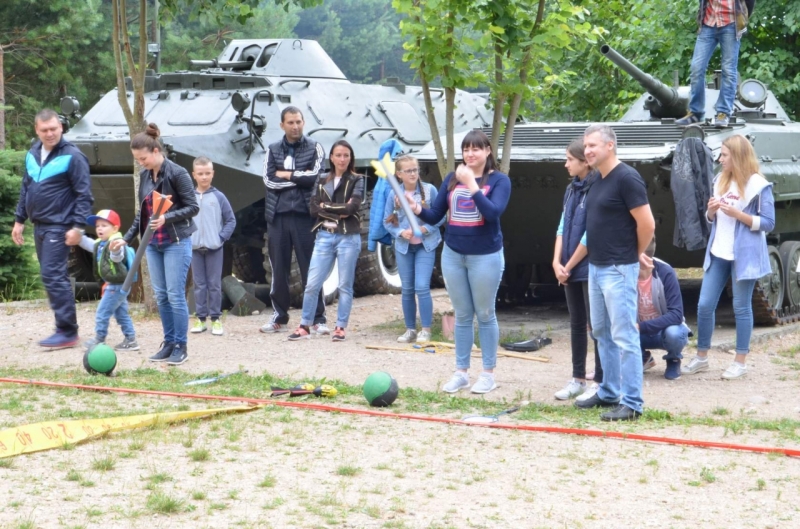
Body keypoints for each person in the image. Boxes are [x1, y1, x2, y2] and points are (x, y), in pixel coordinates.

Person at [413, 130, 510, 395]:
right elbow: (436, 215)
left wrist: (472, 185)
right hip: (453, 254)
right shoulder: (451, 179)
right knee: (463, 314)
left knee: (485, 313)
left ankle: (488, 374)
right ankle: (461, 373)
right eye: (466, 149)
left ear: (488, 151)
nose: (470, 154)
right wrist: (417, 208)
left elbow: (492, 213)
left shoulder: (499, 180)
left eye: (476, 149)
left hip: (485, 255)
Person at [575, 124, 655, 421]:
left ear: (610, 145)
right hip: (596, 268)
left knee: (625, 336)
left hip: (618, 269)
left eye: (592, 145)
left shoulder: (627, 178)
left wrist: (633, 254)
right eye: (585, 146)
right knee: (601, 332)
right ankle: (609, 390)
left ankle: (632, 403)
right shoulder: (597, 178)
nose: (587, 151)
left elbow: (647, 224)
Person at [683, 134, 774, 379]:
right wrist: (710, 212)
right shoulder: (720, 180)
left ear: (738, 156)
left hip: (744, 254)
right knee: (704, 304)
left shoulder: (758, 185)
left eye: (724, 155)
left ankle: (740, 361)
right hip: (718, 251)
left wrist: (739, 215)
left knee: (741, 307)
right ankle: (701, 356)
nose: (720, 159)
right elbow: (712, 220)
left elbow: (768, 223)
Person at [114, 123, 199, 366]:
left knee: (175, 295)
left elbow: (193, 207)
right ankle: (168, 343)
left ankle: (181, 346)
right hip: (152, 243)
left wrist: (166, 218)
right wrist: (126, 238)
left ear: (155, 151)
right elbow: (142, 215)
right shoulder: (144, 176)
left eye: (143, 158)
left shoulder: (177, 173)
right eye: (137, 159)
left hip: (175, 241)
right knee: (161, 296)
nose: (140, 163)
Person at [12, 109, 93, 348]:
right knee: (51, 275)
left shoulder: (73, 156)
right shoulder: (32, 154)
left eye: (54, 129)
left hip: (60, 225)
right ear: (37, 130)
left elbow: (84, 195)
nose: (50, 134)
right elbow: (26, 188)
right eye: (44, 130)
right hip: (39, 225)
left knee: (52, 274)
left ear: (61, 128)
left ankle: (67, 331)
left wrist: (78, 227)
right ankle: (64, 328)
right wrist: (19, 220)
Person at [288, 140, 364, 342]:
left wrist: (326, 206)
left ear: (351, 158)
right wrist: (337, 209)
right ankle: (304, 325)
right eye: (338, 155)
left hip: (348, 237)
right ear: (331, 157)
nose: (342, 159)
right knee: (312, 284)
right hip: (324, 236)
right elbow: (313, 209)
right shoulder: (322, 179)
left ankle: (340, 327)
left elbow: (352, 208)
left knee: (345, 285)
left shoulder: (357, 179)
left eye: (346, 155)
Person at [261, 107, 328, 335]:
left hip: (304, 217)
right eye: (290, 122)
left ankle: (317, 318)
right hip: (278, 217)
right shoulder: (272, 150)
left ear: (304, 122)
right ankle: (279, 316)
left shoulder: (315, 147)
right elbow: (269, 181)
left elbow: (315, 178)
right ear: (282, 125)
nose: (295, 126)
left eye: (298, 121)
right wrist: (300, 179)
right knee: (278, 269)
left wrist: (287, 174)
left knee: (311, 268)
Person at [552, 139, 603, 401]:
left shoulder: (598, 187)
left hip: (589, 266)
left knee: (597, 326)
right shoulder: (571, 189)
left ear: (584, 161)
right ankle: (578, 378)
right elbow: (563, 226)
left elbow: (591, 233)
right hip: (568, 267)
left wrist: (569, 265)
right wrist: (556, 261)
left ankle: (600, 381)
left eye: (570, 159)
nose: (566, 164)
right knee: (576, 323)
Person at [383, 155, 445, 344]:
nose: (413, 173)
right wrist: (401, 232)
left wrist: (425, 229)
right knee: (408, 289)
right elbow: (387, 221)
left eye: (415, 170)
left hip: (426, 246)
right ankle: (410, 329)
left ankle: (425, 330)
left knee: (422, 286)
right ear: (399, 174)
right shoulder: (393, 194)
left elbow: (441, 216)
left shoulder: (430, 190)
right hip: (404, 247)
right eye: (408, 171)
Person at [676, 0, 757, 128]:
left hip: (731, 24)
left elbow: (750, 2)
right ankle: (696, 113)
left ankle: (723, 113)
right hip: (708, 23)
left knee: (728, 70)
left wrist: (742, 17)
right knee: (696, 68)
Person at [79, 209, 139, 351]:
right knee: (121, 314)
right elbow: (89, 244)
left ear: (115, 229)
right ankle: (131, 340)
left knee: (102, 312)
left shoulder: (116, 243)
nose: (99, 228)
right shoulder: (101, 243)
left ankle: (99, 339)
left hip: (116, 286)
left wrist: (115, 250)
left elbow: (117, 258)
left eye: (104, 225)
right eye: (97, 226)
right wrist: (78, 235)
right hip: (116, 285)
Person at [189, 156, 236, 337]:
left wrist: (220, 238)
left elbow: (230, 220)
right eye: (200, 174)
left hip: (214, 248)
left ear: (213, 174)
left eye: (207, 173)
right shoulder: (189, 197)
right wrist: (187, 237)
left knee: (214, 284)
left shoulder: (219, 197)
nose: (204, 177)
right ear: (194, 175)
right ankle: (201, 319)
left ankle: (216, 319)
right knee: (199, 284)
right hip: (194, 248)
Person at [637, 237, 691, 380]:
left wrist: (641, 326)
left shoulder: (665, 271)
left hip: (663, 331)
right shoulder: (626, 272)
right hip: (637, 332)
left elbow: (677, 314)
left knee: (674, 333)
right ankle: (642, 357)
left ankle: (673, 359)